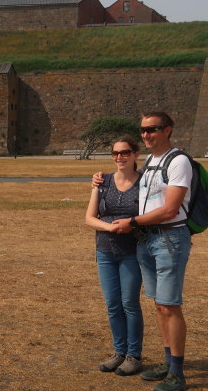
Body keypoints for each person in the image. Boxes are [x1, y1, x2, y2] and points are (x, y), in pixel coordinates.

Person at [97, 111, 192, 391]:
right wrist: (99, 179)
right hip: (147, 241)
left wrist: (133, 222)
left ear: (168, 130)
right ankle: (166, 362)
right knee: (159, 306)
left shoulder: (179, 161)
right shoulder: (151, 161)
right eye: (143, 130)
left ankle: (177, 372)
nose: (147, 134)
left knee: (170, 306)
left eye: (153, 129)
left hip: (169, 239)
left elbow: (170, 209)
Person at [85, 136, 143, 376]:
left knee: (129, 304)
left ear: (136, 155)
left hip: (132, 252)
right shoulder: (103, 181)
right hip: (106, 251)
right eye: (116, 153)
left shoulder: (144, 183)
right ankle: (119, 352)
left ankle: (134, 355)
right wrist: (110, 227)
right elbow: (89, 217)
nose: (120, 157)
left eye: (125, 152)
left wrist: (130, 225)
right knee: (112, 305)